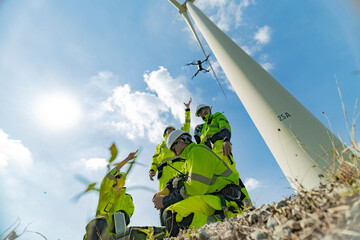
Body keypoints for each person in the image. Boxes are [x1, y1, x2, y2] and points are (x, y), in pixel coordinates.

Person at [152, 130, 248, 237]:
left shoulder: (197, 152)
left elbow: (194, 189)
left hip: (224, 201)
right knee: (171, 214)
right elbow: (176, 178)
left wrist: (165, 200)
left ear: (179, 141)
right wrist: (165, 191)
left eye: (173, 150)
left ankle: (215, 228)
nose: (174, 154)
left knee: (172, 214)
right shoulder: (189, 159)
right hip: (213, 199)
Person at [194, 104, 251, 207]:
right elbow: (201, 145)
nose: (201, 115)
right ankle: (235, 208)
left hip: (222, 151)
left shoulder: (217, 116)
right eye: (199, 114)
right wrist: (196, 135)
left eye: (201, 112)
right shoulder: (203, 128)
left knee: (233, 178)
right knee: (221, 184)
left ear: (207, 109)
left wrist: (226, 140)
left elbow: (225, 127)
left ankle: (248, 205)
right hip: (211, 159)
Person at [84, 151, 137, 240]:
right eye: (116, 176)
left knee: (120, 215)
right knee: (100, 221)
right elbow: (110, 175)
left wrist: (115, 217)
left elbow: (127, 215)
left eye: (119, 177)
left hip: (115, 233)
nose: (116, 178)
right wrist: (127, 159)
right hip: (99, 231)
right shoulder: (106, 191)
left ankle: (120, 238)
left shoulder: (128, 198)